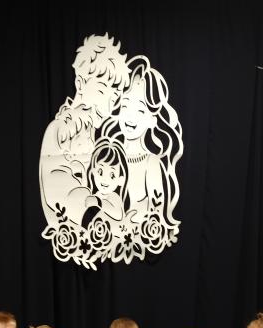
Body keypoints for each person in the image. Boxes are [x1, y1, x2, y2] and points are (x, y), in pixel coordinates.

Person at [39, 34, 130, 227]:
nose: (109, 105)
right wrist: (91, 208)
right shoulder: (60, 130)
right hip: (76, 226)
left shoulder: (92, 135)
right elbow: (57, 183)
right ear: (80, 84)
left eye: (114, 97)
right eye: (102, 90)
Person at [97, 56, 183, 236]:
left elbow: (157, 214)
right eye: (125, 106)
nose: (131, 116)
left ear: (152, 119)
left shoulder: (151, 163)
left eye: (140, 110)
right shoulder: (107, 156)